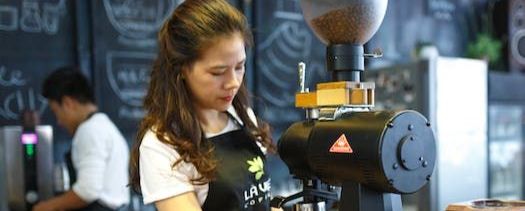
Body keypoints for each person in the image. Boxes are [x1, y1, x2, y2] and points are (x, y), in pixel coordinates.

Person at [129, 0, 276, 210]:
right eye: (218, 72)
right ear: (181, 69)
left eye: (240, 67)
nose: (233, 82)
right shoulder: (163, 145)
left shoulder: (243, 117)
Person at [34, 67, 130, 211]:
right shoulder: (104, 126)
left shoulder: (90, 130)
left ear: (67, 103)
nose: (59, 121)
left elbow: (87, 190)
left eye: (56, 112)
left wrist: (47, 207)